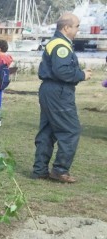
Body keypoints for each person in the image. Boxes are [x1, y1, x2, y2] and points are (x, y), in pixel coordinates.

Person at [32, 13, 92, 183]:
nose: (78, 30)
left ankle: (40, 170)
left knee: (48, 131)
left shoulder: (55, 42)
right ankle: (60, 169)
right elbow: (62, 71)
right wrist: (82, 74)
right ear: (67, 27)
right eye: (77, 26)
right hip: (59, 92)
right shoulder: (61, 45)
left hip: (49, 90)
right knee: (70, 130)